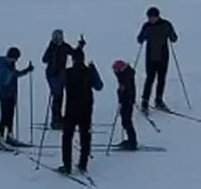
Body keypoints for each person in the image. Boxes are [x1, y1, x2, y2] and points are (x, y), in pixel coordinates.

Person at [60, 47, 103, 175]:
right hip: (86, 109)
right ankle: (83, 164)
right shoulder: (89, 71)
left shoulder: (68, 72)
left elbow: (58, 86)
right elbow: (99, 86)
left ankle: (67, 166)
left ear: (72, 60)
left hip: (71, 109)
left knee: (67, 137)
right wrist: (94, 69)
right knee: (85, 136)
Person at [137, 7, 178, 111]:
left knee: (161, 79)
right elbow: (139, 39)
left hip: (163, 57)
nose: (151, 20)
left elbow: (174, 38)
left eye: (152, 17)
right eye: (149, 17)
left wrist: (171, 35)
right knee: (149, 79)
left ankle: (158, 100)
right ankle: (145, 102)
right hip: (150, 57)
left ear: (157, 16)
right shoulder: (146, 26)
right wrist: (142, 37)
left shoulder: (166, 24)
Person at [0, 47, 33, 147]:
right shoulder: (3, 65)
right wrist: (11, 71)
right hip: (5, 95)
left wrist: (26, 70)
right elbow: (4, 81)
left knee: (11, 116)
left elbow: (15, 75)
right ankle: (1, 138)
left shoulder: (11, 65)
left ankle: (9, 135)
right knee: (4, 116)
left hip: (12, 94)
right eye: (15, 59)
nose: (16, 61)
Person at [42, 29, 77, 129]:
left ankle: (59, 118)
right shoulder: (51, 47)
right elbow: (44, 59)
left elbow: (74, 53)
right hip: (52, 75)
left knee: (61, 95)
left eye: (59, 37)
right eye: (55, 37)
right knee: (57, 96)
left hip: (61, 74)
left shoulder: (64, 46)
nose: (57, 39)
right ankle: (55, 120)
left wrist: (80, 46)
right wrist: (52, 52)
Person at [111, 60, 138, 150]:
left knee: (127, 121)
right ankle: (130, 140)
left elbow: (125, 90)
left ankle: (132, 142)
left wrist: (121, 95)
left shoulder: (125, 77)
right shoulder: (125, 75)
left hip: (127, 101)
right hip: (125, 101)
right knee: (125, 121)